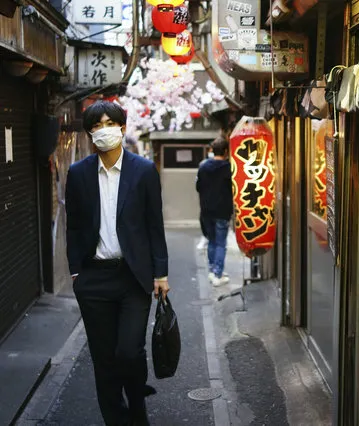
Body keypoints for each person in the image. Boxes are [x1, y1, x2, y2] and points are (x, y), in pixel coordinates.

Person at [65, 101, 170, 426]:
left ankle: (137, 405)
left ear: (122, 127)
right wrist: (75, 270)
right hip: (94, 278)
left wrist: (161, 272)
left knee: (128, 351)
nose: (103, 130)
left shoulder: (142, 170)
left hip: (132, 277)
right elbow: (75, 225)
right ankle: (116, 418)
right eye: (96, 125)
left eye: (109, 122)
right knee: (104, 358)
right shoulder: (78, 173)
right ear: (90, 133)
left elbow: (155, 224)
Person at [196, 136, 233, 286]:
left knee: (211, 241)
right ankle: (218, 274)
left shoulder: (203, 167)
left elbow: (198, 187)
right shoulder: (228, 168)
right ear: (225, 151)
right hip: (222, 211)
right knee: (220, 243)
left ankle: (213, 271)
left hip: (206, 210)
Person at [196, 146, 215, 251]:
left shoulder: (203, 166)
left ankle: (214, 265)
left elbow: (198, 186)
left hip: (208, 201)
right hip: (209, 201)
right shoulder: (203, 165)